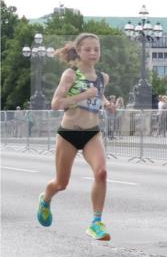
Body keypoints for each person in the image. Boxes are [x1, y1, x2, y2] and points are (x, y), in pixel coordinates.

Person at [36, 33, 118, 241]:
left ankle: (96, 223)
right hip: (68, 134)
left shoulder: (103, 78)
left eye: (96, 49)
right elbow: (56, 104)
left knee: (102, 173)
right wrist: (83, 95)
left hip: (92, 133)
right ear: (79, 52)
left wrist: (107, 104)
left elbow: (98, 94)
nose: (93, 53)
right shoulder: (70, 75)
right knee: (61, 183)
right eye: (88, 49)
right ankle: (46, 198)